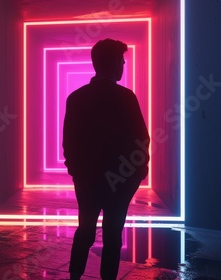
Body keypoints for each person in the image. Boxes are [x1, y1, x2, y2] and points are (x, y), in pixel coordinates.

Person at [63, 38, 150, 280]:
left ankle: (74, 276)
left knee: (86, 229)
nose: (123, 65)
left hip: (87, 179)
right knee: (113, 234)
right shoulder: (126, 97)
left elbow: (69, 141)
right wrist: (138, 171)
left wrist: (76, 171)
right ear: (114, 63)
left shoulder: (76, 97)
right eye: (121, 61)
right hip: (120, 180)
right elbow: (141, 138)